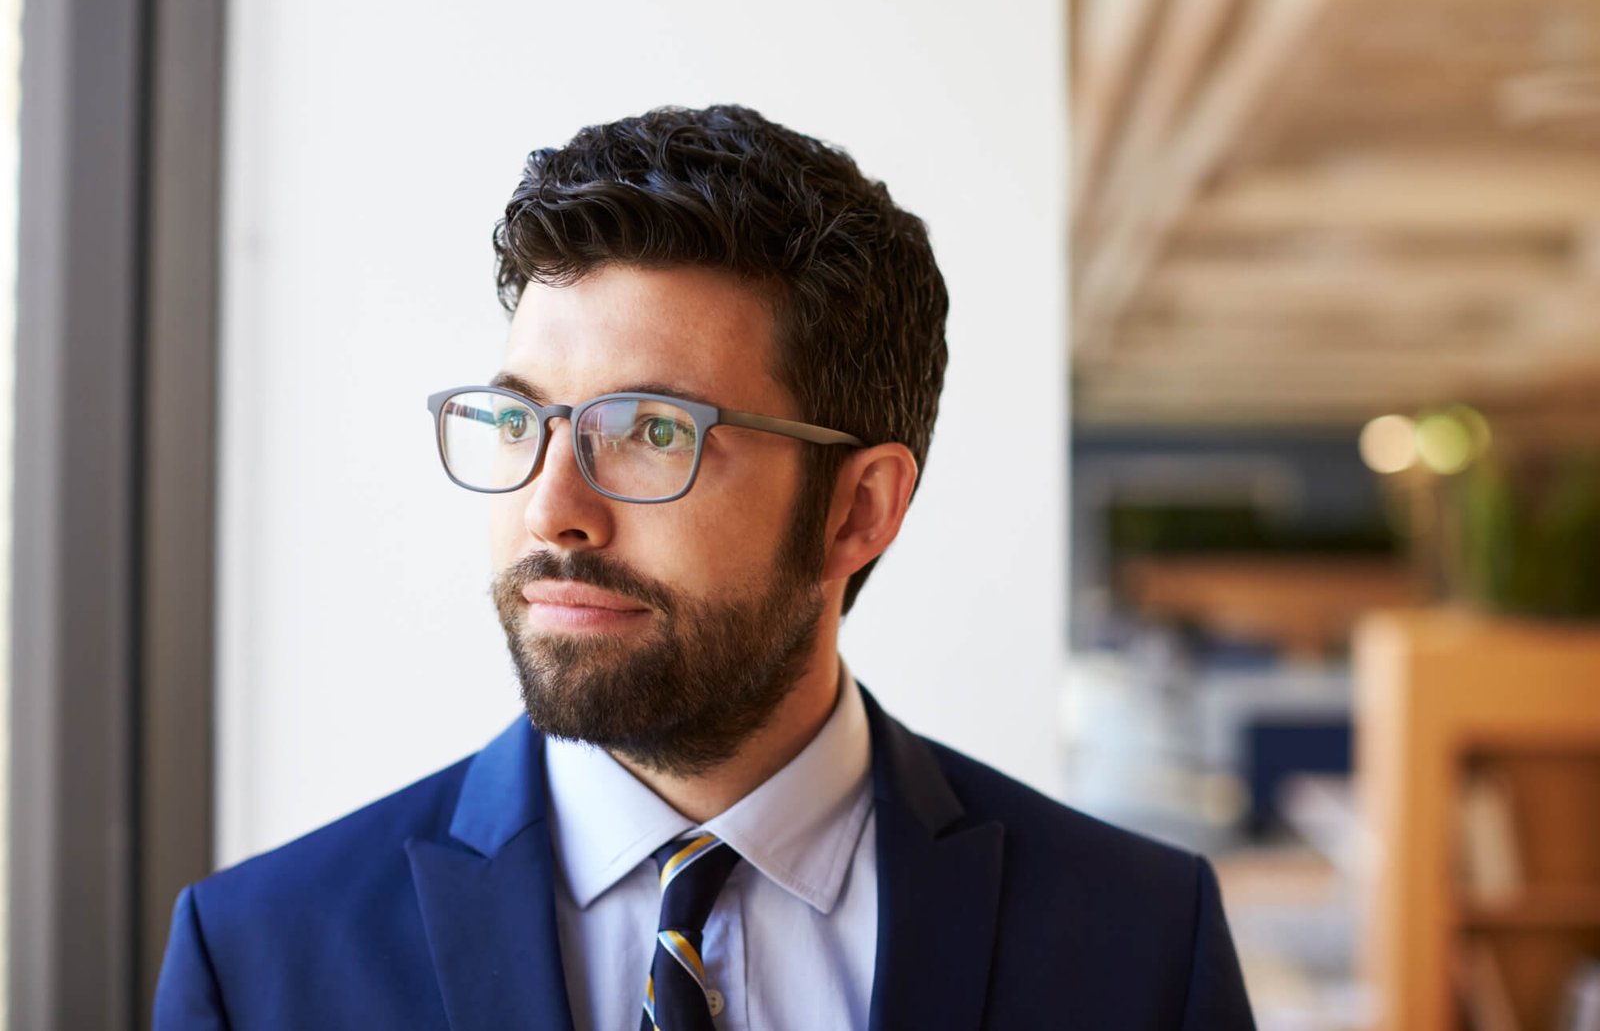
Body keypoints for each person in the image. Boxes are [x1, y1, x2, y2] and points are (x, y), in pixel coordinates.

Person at [154, 104, 1255, 1030]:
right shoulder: (260, 962)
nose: (552, 509)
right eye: (519, 421)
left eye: (650, 432)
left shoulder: (1138, 948)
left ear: (857, 509)